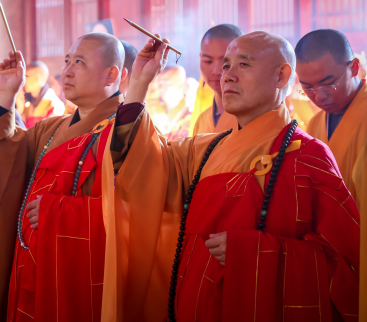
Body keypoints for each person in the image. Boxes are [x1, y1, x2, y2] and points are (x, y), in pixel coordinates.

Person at [101, 31, 359, 321]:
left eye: (243, 65)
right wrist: (139, 82)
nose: (226, 76)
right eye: (226, 66)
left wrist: (253, 252)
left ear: (281, 76)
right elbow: (137, 165)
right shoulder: (203, 151)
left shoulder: (308, 156)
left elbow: (347, 265)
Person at [0, 33, 125, 322]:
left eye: (78, 62)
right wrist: (7, 93)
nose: (66, 70)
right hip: (30, 264)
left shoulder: (126, 133)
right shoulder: (50, 130)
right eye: (67, 60)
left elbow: (134, 212)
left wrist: (56, 212)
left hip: (78, 281)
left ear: (111, 74)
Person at [295, 29, 366, 201]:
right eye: (307, 88)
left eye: (328, 84)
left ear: (354, 68)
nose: (319, 97)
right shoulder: (315, 124)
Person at [192, 24, 243, 135]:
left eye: (225, 62)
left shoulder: (252, 116)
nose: (216, 71)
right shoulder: (201, 120)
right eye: (207, 61)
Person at [148, 65, 193, 140]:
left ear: (180, 83)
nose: (161, 88)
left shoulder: (191, 114)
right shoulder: (154, 111)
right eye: (160, 84)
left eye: (166, 84)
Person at [21, 60, 66, 127]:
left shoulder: (55, 105)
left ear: (37, 78)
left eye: (26, 77)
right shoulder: (28, 104)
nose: (23, 81)